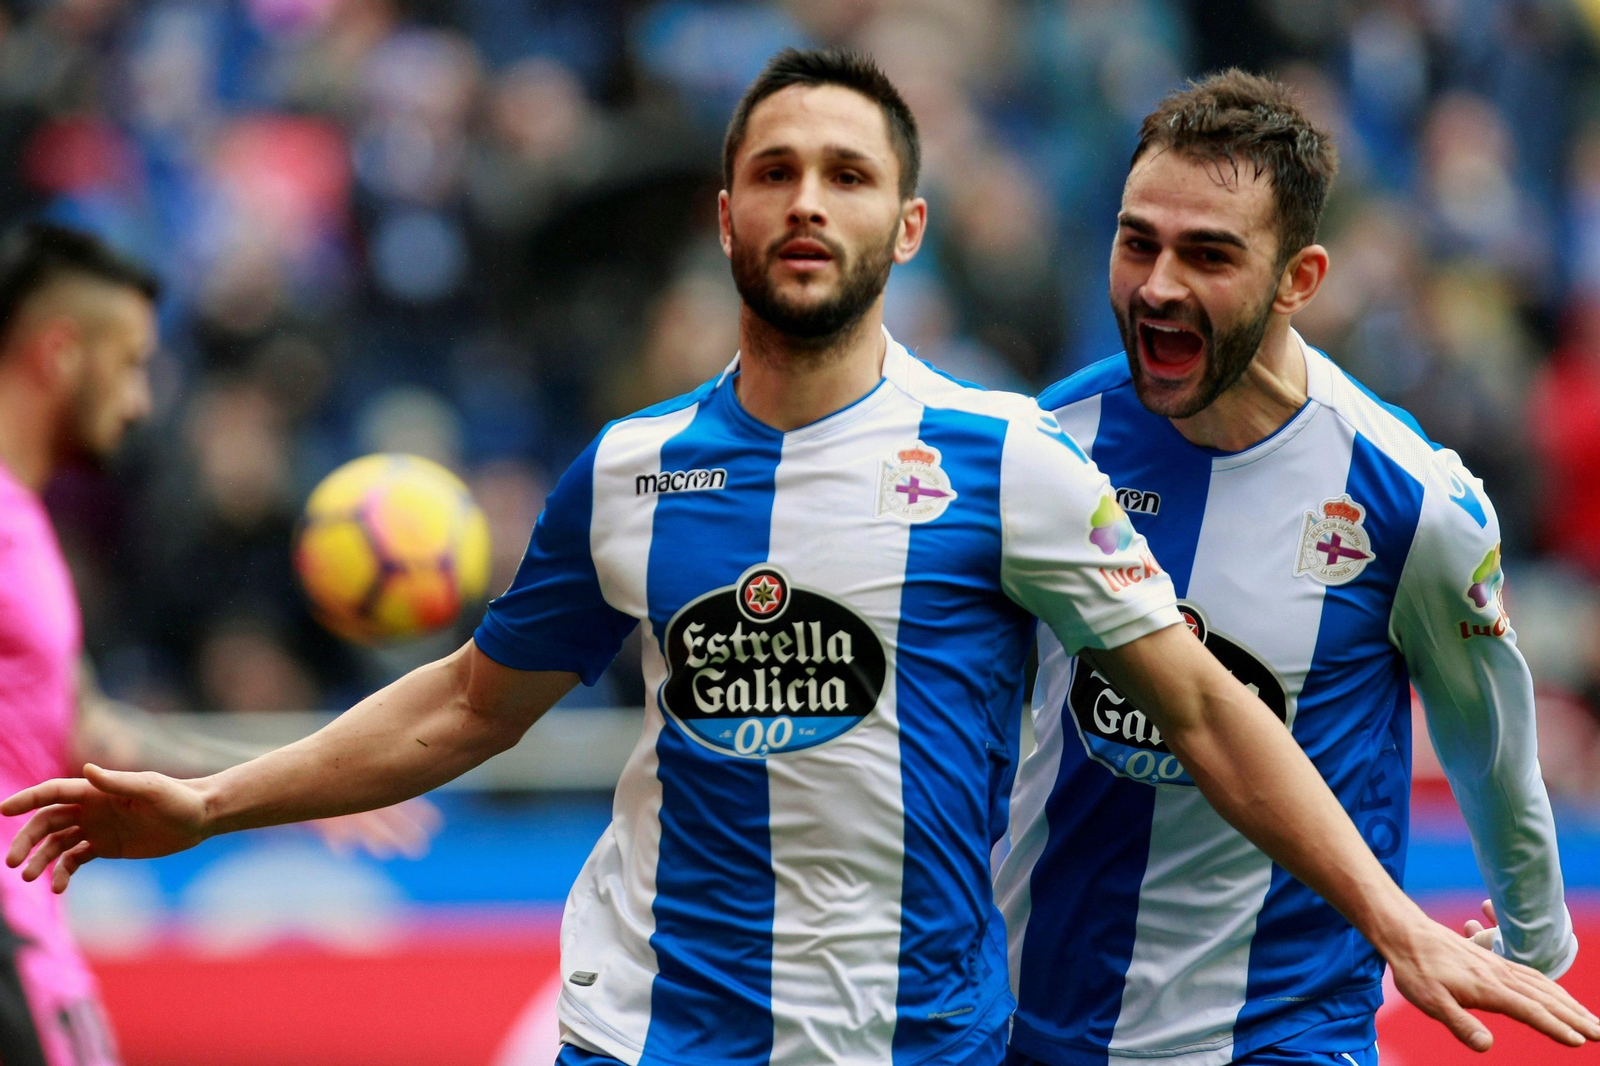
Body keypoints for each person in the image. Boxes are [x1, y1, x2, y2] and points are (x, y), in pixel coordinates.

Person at [4, 50, 1595, 1066]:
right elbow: (468, 706)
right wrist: (212, 800)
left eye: (847, 174)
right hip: (650, 1030)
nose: (808, 200)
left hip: (925, 1043)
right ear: (725, 218)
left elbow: (1205, 709)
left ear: (908, 228)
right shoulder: (627, 471)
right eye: (776, 169)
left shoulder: (1015, 462)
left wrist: (1396, 917)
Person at [993, 71, 1579, 1066]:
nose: (1159, 283)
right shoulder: (1044, 445)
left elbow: (1487, 740)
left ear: (1297, 278)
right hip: (1032, 1022)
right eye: (1138, 241)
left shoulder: (1412, 502)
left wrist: (1535, 940)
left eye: (1208, 253)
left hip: (1282, 1033)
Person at [0, 222, 439, 1066]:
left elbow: (97, 735)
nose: (138, 402)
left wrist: (286, 788)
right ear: (59, 354)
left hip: (36, 954)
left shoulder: (30, 530)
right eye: (128, 364)